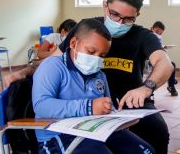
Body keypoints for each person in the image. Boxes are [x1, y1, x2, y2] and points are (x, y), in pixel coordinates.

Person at [6, 0, 173, 153]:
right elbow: (54, 61)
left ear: (137, 14)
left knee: (156, 133)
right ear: (105, 6)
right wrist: (27, 70)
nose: (120, 22)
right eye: (114, 14)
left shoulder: (142, 37)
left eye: (128, 18)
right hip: (84, 111)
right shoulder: (86, 30)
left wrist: (146, 89)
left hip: (127, 104)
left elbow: (165, 64)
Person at [32, 19, 155, 154]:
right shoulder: (53, 66)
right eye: (91, 52)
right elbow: (41, 106)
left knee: (146, 151)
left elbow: (106, 107)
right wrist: (89, 107)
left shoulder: (99, 75)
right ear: (73, 43)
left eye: (102, 56)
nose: (96, 59)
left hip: (97, 130)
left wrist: (120, 117)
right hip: (59, 136)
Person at [150, 21, 178, 96]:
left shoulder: (157, 37)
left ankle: (171, 85)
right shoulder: (147, 35)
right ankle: (172, 81)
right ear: (153, 28)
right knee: (169, 64)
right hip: (149, 58)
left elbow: (158, 47)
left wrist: (163, 47)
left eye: (160, 33)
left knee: (172, 64)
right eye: (157, 32)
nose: (158, 34)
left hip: (157, 57)